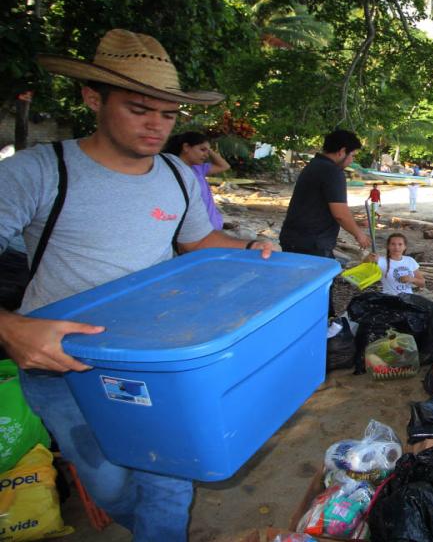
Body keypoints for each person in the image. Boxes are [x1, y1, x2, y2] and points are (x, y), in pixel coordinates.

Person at [0, 29, 273, 541]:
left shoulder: (176, 173)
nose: (157, 126)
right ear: (92, 97)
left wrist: (253, 248)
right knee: (107, 483)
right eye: (139, 109)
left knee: (170, 478)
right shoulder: (39, 172)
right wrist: (10, 328)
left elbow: (197, 241)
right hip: (65, 364)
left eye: (169, 115)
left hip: (156, 357)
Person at [280, 130, 372, 256]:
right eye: (352, 155)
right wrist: (359, 235)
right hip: (312, 243)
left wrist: (354, 222)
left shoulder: (314, 165)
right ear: (342, 151)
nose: (351, 160)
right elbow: (340, 214)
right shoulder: (333, 172)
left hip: (294, 238)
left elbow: (317, 206)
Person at [163, 131, 229, 230]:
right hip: (195, 232)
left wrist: (208, 150)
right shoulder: (171, 171)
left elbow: (224, 166)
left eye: (208, 151)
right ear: (186, 147)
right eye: (202, 150)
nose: (206, 155)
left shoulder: (198, 169)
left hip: (212, 228)